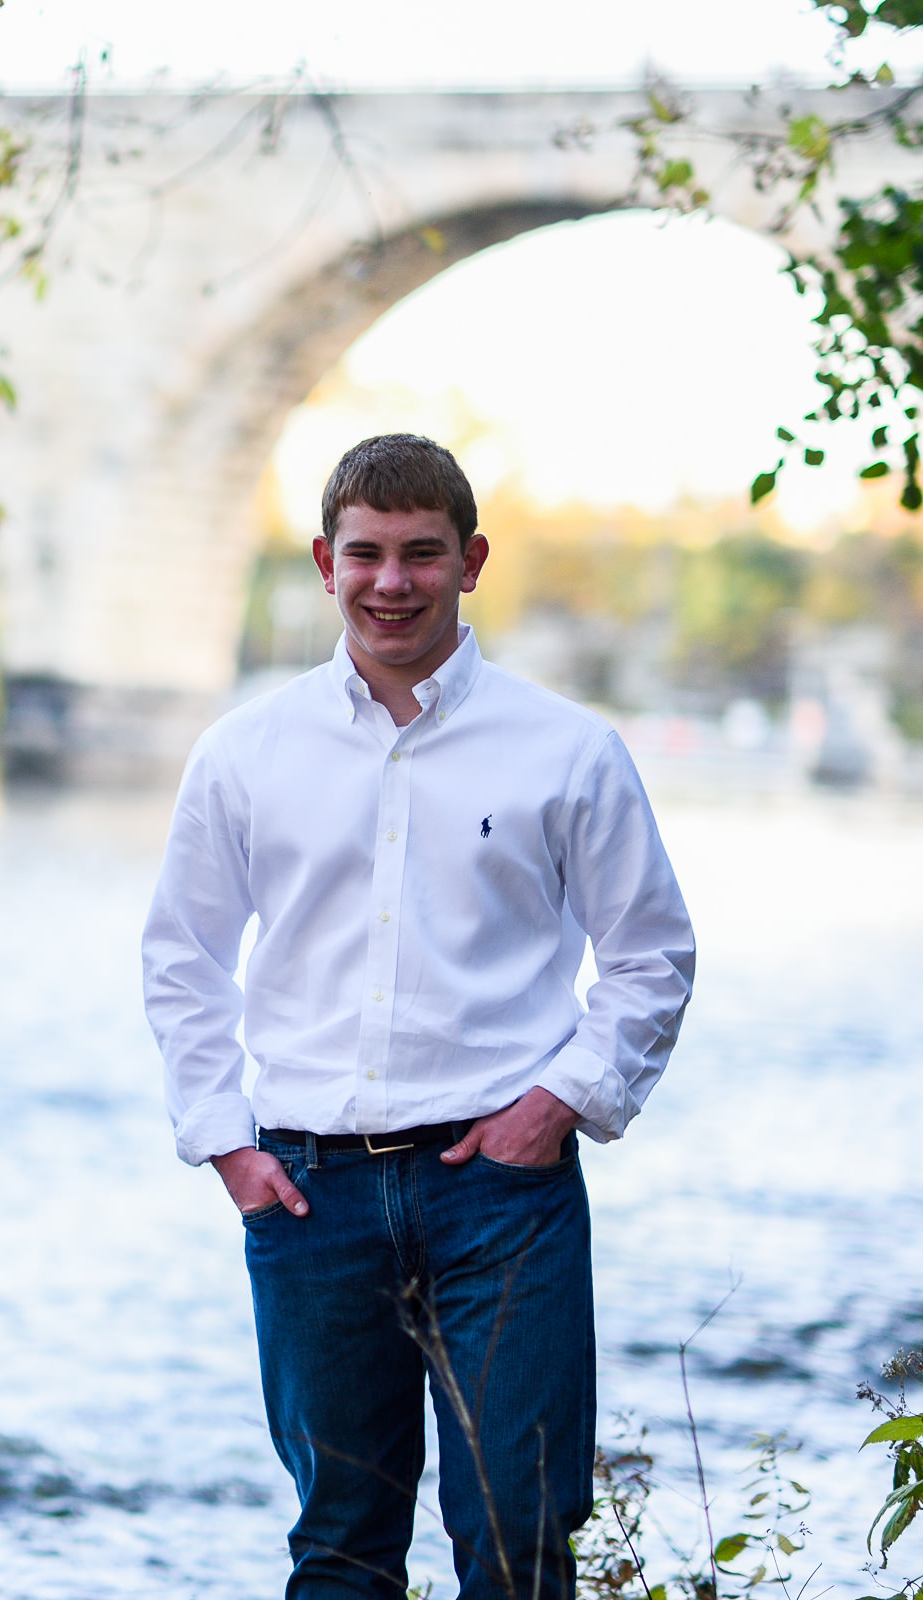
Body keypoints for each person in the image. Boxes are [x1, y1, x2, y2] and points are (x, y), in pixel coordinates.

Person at [141, 434, 695, 1600]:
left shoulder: (568, 751)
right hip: (306, 1193)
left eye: (421, 554)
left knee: (516, 1537)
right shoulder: (245, 753)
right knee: (341, 1544)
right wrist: (226, 1142)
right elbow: (183, 957)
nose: (391, 581)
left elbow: (651, 954)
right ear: (322, 562)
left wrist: (559, 1105)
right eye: (367, 554)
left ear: (472, 560)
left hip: (501, 1192)